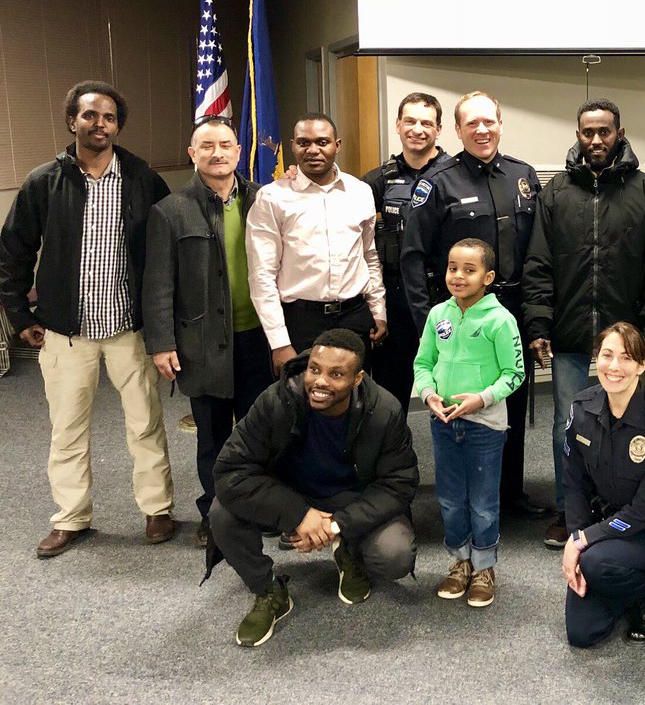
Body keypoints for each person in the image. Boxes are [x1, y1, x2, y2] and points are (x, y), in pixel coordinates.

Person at [0, 80, 175, 557]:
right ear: (72, 121)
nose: (100, 124)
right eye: (90, 116)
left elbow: (163, 256)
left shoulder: (142, 179)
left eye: (110, 117)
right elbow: (13, 251)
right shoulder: (44, 181)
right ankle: (71, 517)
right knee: (68, 428)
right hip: (66, 331)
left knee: (145, 422)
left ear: (119, 126)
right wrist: (20, 314)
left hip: (129, 329)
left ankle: (157, 509)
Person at [523, 98, 645, 548]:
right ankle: (569, 510)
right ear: (577, 135)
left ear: (619, 133)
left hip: (625, 337)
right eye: (587, 132)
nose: (595, 141)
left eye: (604, 132)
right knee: (568, 424)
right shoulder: (556, 194)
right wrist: (538, 324)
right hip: (568, 330)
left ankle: (620, 508)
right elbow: (538, 264)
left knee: (627, 424)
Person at [207, 328, 418, 647]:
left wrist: (336, 526)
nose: (320, 381)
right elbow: (229, 470)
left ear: (357, 378)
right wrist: (298, 514)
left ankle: (349, 551)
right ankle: (269, 591)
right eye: (315, 369)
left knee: (395, 554)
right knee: (222, 512)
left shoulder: (384, 410)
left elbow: (398, 484)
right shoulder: (276, 400)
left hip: (350, 497)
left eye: (336, 374)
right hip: (289, 493)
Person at [401, 90, 549, 518]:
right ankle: (469, 497)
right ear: (458, 129)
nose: (482, 130)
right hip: (463, 313)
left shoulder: (523, 176)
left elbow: (537, 251)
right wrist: (424, 321)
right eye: (472, 123)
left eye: (489, 122)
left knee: (511, 396)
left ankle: (509, 493)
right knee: (464, 404)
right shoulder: (438, 182)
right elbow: (413, 257)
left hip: (513, 308)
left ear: (501, 124)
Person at [142, 116, 275, 547]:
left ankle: (259, 507)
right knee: (214, 435)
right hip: (201, 343)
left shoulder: (267, 200)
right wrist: (161, 344)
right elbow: (158, 283)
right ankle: (216, 513)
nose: (217, 153)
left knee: (260, 430)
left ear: (239, 152)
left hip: (259, 336)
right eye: (207, 146)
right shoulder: (171, 211)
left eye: (226, 145)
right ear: (192, 153)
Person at [561, 322, 645, 648]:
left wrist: (584, 542)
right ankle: (625, 582)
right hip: (608, 525)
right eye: (607, 355)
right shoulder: (581, 409)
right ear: (597, 357)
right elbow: (574, 483)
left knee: (597, 563)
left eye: (626, 358)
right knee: (582, 633)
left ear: (643, 364)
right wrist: (578, 535)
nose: (614, 366)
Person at [414, 238, 524, 608]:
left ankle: (485, 566)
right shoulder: (437, 315)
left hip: (485, 427)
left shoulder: (500, 319)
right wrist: (428, 393)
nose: (458, 276)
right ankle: (461, 561)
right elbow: (422, 364)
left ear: (488, 277)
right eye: (452, 268)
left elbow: (514, 373)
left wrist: (482, 399)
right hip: (443, 422)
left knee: (482, 502)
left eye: (469, 270)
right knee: (449, 499)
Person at [246, 112, 387, 377]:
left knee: (354, 400)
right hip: (300, 321)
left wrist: (379, 311)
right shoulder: (272, 198)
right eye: (304, 142)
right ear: (292, 146)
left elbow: (369, 256)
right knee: (302, 402)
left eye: (322, 142)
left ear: (337, 145)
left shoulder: (360, 192)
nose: (313, 150)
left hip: (354, 316)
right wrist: (280, 342)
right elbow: (262, 275)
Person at [363, 92, 454, 422]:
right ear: (398, 125)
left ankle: (453, 464)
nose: (418, 129)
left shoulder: (456, 176)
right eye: (411, 121)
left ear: (439, 129)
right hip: (395, 301)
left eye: (427, 122)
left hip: (447, 300)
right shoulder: (376, 181)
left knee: (451, 387)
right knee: (389, 395)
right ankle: (392, 466)